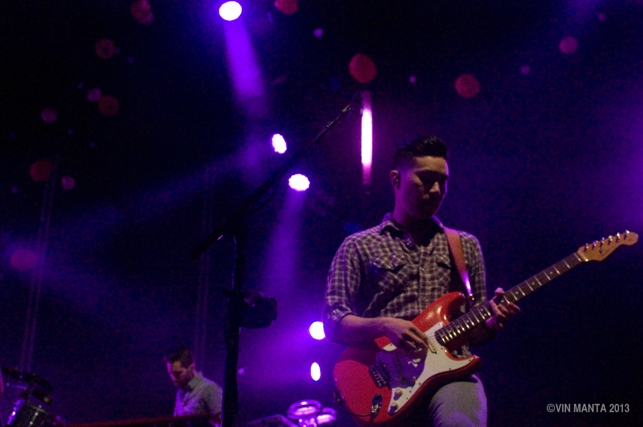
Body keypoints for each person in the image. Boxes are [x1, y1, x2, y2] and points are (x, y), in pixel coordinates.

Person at [322, 135, 520, 427]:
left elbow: (475, 330)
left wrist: (491, 321)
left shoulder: (465, 246)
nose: (437, 190)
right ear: (396, 179)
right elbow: (334, 321)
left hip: (451, 378)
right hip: (383, 382)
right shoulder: (357, 246)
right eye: (426, 179)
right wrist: (384, 325)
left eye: (443, 181)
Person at [164, 346, 223, 425]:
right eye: (171, 374)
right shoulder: (180, 392)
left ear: (191, 368)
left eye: (177, 373)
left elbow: (225, 422)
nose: (173, 378)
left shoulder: (209, 389)